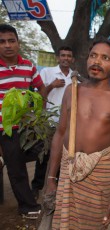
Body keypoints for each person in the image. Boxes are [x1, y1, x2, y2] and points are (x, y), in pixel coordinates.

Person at [45, 37, 110, 229]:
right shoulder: (72, 91)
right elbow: (60, 134)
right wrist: (51, 178)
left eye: (105, 58)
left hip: (100, 175)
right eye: (93, 56)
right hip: (68, 171)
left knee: (94, 224)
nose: (97, 62)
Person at [0, 24, 46, 218]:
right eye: (2, 42)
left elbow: (41, 89)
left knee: (49, 150)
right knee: (16, 168)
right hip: (6, 129)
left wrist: (38, 113)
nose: (7, 45)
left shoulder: (28, 66)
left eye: (11, 40)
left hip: (28, 127)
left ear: (18, 43)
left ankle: (38, 186)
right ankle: (27, 206)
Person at [30, 46, 75, 200]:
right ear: (58, 58)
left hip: (66, 124)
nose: (66, 58)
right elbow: (38, 96)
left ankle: (56, 188)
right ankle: (36, 187)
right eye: (63, 55)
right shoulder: (47, 73)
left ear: (72, 59)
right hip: (48, 122)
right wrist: (51, 86)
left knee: (62, 157)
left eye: (69, 56)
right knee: (44, 156)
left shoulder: (75, 77)